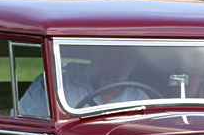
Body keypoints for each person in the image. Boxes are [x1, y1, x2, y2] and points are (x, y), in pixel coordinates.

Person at [19, 46, 148, 116]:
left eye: (120, 62)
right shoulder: (58, 82)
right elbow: (26, 118)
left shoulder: (139, 97)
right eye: (105, 58)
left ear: (132, 65)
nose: (110, 67)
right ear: (93, 57)